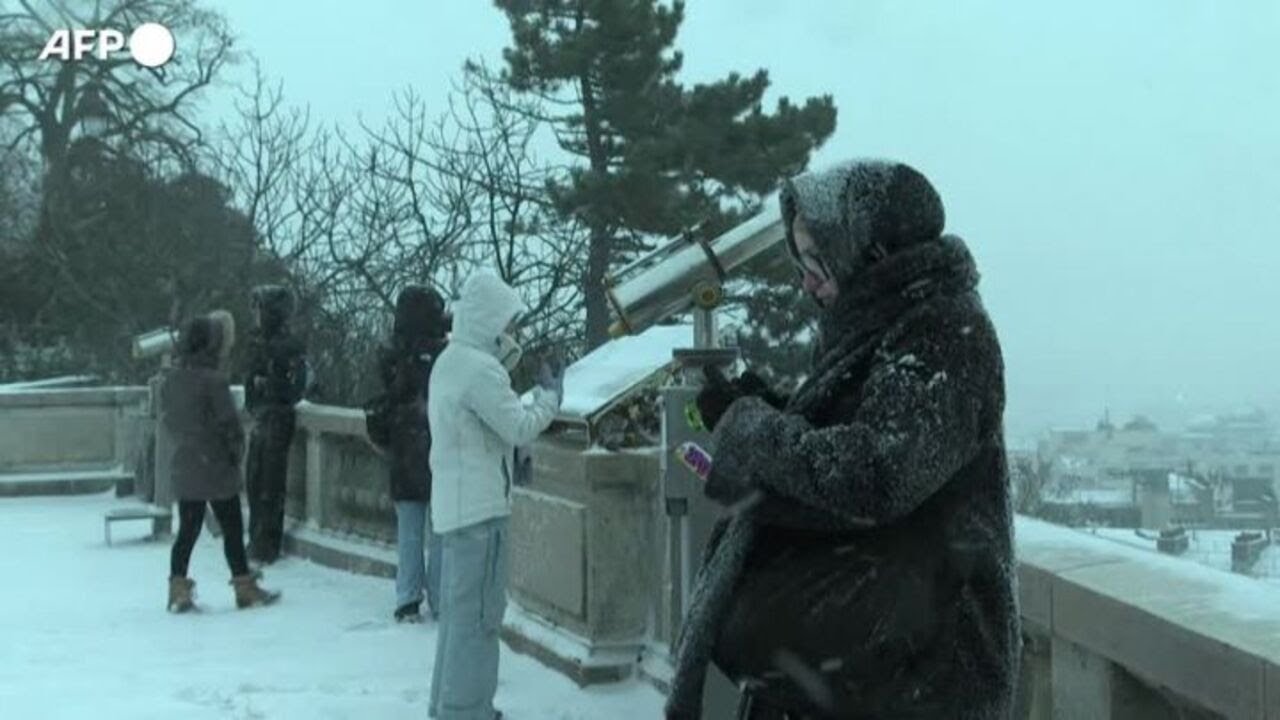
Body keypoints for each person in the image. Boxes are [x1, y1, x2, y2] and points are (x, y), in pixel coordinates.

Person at [666, 160, 1019, 719]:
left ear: (868, 253)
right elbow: (854, 433)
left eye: (816, 260)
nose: (806, 280)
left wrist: (751, 428)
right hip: (864, 670)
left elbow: (878, 471)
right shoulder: (878, 323)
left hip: (914, 679)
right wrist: (762, 405)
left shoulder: (944, 332)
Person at [427, 271, 563, 720]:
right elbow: (518, 424)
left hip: (454, 510)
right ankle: (467, 711)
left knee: (458, 621)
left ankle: (448, 707)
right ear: (490, 321)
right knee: (479, 622)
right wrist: (550, 396)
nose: (512, 333)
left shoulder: (451, 360)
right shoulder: (480, 369)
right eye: (508, 323)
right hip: (481, 514)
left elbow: (484, 429)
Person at [163, 315, 281, 613]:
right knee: (231, 527)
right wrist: (234, 451)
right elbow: (228, 424)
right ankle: (244, 586)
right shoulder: (213, 381)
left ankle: (178, 588)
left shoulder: (173, 379)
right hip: (214, 465)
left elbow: (169, 419)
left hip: (186, 461)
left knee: (187, 530)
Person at [377, 285, 450, 623]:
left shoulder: (392, 354)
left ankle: (407, 597)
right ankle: (439, 596)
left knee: (408, 527)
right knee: (439, 529)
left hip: (404, 448)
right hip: (435, 447)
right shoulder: (441, 356)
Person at [243, 285, 308, 564]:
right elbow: (250, 381)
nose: (257, 315)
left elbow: (296, 387)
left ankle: (266, 543)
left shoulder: (288, 345)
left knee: (269, 483)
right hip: (263, 418)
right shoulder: (259, 342)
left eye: (261, 309)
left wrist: (268, 386)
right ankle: (258, 539)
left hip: (277, 419)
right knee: (256, 481)